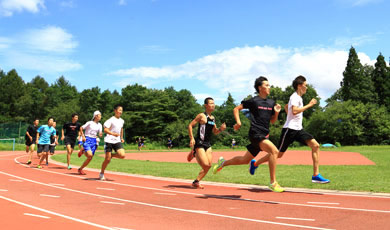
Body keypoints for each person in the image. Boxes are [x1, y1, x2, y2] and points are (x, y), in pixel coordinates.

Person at [250, 75, 330, 183]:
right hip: (289, 130)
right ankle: (255, 164)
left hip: (298, 129)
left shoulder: (298, 98)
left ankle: (316, 175)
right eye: (305, 85)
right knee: (278, 154)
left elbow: (290, 110)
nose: (307, 88)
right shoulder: (295, 97)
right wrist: (309, 105)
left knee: (315, 145)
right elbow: (295, 111)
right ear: (299, 86)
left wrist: (288, 111)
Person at [213, 76, 284, 192]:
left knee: (244, 160)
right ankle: (273, 182)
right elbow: (236, 109)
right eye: (266, 85)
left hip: (264, 135)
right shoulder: (253, 101)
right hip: (255, 133)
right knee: (274, 151)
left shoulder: (271, 103)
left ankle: (222, 163)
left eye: (269, 85)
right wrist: (238, 122)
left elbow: (272, 121)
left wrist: (276, 113)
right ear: (260, 88)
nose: (269, 87)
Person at [188, 97, 226, 189]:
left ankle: (196, 182)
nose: (213, 105)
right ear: (206, 105)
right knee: (205, 165)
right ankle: (194, 152)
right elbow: (190, 125)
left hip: (208, 144)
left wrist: (221, 129)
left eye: (214, 103)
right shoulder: (201, 115)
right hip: (200, 142)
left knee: (208, 166)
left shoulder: (213, 118)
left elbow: (215, 132)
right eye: (211, 103)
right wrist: (192, 138)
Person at [100, 105, 126, 180]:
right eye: (119, 110)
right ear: (115, 111)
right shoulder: (110, 120)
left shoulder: (122, 121)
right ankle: (101, 173)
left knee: (122, 155)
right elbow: (105, 129)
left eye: (122, 110)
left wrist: (121, 137)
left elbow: (121, 129)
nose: (121, 112)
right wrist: (112, 134)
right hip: (109, 141)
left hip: (117, 141)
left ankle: (112, 155)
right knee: (107, 160)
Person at [78, 111, 103, 175]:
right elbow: (81, 128)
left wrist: (100, 134)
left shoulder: (100, 125)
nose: (100, 116)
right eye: (99, 115)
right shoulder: (90, 123)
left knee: (90, 158)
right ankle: (83, 151)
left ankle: (80, 169)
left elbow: (100, 133)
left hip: (94, 141)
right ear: (95, 116)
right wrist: (83, 136)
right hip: (87, 139)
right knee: (90, 155)